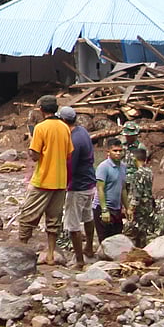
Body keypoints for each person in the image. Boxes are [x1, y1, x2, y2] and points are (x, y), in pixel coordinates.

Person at [17, 95, 73, 266]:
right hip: (60, 180)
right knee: (54, 221)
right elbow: (69, 154)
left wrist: (31, 143)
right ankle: (50, 255)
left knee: (27, 217)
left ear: (41, 109)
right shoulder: (65, 128)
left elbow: (34, 155)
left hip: (43, 180)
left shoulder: (40, 128)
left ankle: (20, 252)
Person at [60, 107, 97, 267]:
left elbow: (70, 166)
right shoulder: (82, 131)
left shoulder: (73, 140)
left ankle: (79, 260)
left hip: (77, 185)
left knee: (73, 224)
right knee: (88, 216)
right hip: (89, 181)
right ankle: (89, 248)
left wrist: (64, 185)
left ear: (63, 121)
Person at [125, 147, 162, 247]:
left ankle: (139, 249)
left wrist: (131, 208)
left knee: (136, 229)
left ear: (134, 159)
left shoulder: (137, 174)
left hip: (140, 207)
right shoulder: (149, 172)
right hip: (148, 204)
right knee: (146, 228)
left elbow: (137, 193)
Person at [95, 138, 128, 241]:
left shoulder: (123, 167)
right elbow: (100, 189)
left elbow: (123, 189)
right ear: (108, 152)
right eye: (115, 151)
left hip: (116, 209)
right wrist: (104, 210)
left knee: (117, 240)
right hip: (102, 207)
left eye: (120, 151)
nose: (118, 153)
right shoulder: (103, 167)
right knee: (105, 241)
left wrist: (127, 208)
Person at [120, 121, 147, 192]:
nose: (127, 137)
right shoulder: (123, 146)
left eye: (130, 136)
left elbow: (142, 166)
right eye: (126, 135)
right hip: (122, 178)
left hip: (134, 179)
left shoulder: (140, 147)